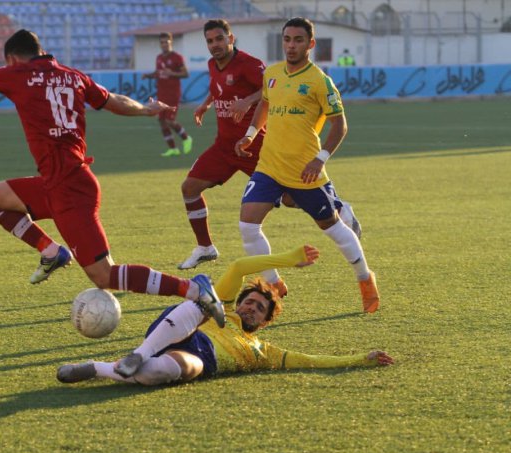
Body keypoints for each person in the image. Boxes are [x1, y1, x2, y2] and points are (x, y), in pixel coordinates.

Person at [0, 29, 225, 324]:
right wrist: (145, 109)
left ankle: (193, 289)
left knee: (104, 275)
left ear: (11, 58)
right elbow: (113, 101)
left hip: (70, 190)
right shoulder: (73, 76)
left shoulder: (15, 74)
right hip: (58, 182)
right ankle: (51, 251)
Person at [179, 19, 361, 284]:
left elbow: (266, 91)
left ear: (231, 38)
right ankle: (205, 247)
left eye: (220, 39)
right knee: (189, 187)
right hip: (225, 146)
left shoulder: (251, 65)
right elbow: (217, 88)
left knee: (289, 198)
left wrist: (246, 103)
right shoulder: (211, 64)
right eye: (210, 41)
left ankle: (336, 206)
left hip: (256, 147)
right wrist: (206, 105)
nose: (215, 45)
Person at [57, 245, 394, 386]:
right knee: (205, 301)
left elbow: (311, 360)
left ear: (263, 323)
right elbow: (238, 267)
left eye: (258, 308)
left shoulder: (264, 352)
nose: (249, 307)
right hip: (179, 325)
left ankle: (99, 369)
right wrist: (290, 259)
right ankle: (138, 355)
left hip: (193, 356)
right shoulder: (226, 312)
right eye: (248, 301)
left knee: (175, 370)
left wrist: (361, 358)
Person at [234, 17, 379, 313]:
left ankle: (365, 279)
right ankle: (274, 284)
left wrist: (319, 159)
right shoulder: (272, 74)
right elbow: (265, 103)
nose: (291, 45)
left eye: (298, 40)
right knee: (248, 225)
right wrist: (250, 135)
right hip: (269, 166)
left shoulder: (319, 81)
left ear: (310, 44)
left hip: (305, 170)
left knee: (332, 228)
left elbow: (340, 125)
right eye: (287, 39)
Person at [141, 32, 192, 157]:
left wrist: (172, 73)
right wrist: (148, 75)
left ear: (171, 42)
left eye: (166, 42)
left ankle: (186, 138)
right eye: (162, 42)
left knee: (169, 120)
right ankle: (173, 149)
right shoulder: (159, 58)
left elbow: (186, 74)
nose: (164, 44)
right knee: (161, 120)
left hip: (173, 93)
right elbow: (158, 72)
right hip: (161, 93)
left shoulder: (177, 57)